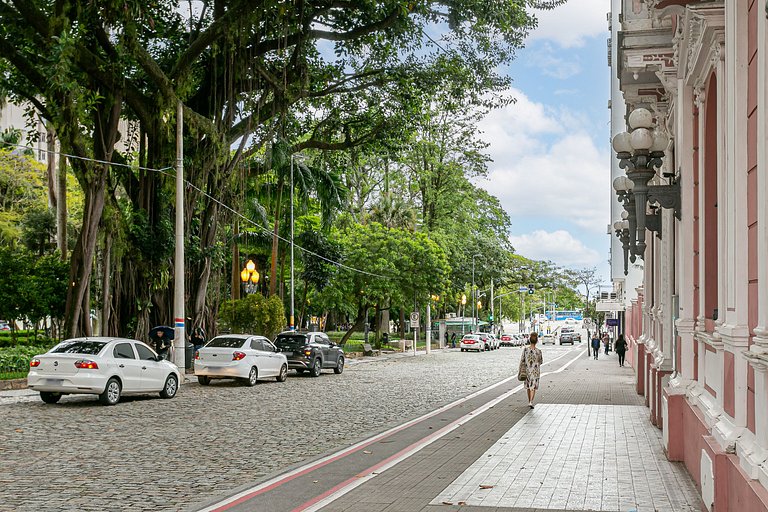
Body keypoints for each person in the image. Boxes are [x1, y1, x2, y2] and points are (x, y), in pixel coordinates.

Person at [520, 332, 543, 408]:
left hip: (527, 371)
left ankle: (529, 400)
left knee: (528, 386)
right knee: (533, 387)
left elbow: (522, 360)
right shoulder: (538, 351)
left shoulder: (525, 350)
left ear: (529, 340)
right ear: (536, 341)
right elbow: (541, 361)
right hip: (535, 371)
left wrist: (521, 369)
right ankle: (531, 401)